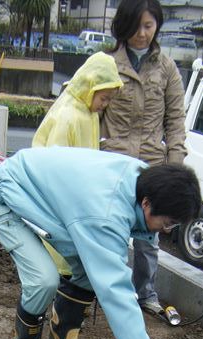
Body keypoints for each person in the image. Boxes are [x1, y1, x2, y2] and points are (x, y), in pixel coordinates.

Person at [0, 146, 201, 339]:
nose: (166, 231)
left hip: (46, 197)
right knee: (43, 280)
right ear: (146, 204)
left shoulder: (144, 182)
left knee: (87, 269)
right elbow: (115, 287)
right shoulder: (106, 212)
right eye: (167, 223)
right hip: (9, 194)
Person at [100, 0, 187, 317]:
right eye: (136, 26)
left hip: (152, 166)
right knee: (112, 232)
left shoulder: (166, 69)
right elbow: (91, 111)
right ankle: (108, 292)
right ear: (123, 26)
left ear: (158, 27)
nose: (142, 33)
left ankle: (144, 293)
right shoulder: (106, 63)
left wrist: (175, 172)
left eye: (148, 26)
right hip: (113, 163)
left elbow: (176, 123)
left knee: (148, 238)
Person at [32, 51, 123, 276]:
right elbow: (54, 169)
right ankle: (53, 307)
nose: (105, 104)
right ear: (89, 87)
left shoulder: (88, 113)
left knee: (69, 264)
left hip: (76, 202)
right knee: (56, 264)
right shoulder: (69, 116)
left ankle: (60, 306)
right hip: (60, 204)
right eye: (104, 98)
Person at [32, 51, 123, 150]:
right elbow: (56, 160)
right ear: (90, 89)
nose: (105, 104)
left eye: (109, 100)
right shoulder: (67, 117)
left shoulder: (91, 114)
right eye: (103, 98)